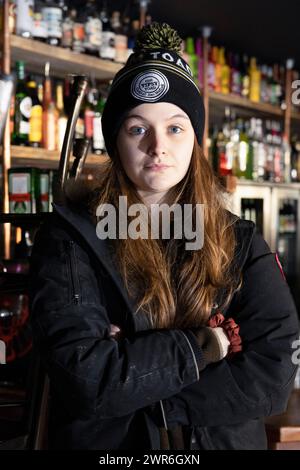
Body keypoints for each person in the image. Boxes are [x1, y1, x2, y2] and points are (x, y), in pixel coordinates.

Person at [29, 22, 299, 450]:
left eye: (175, 127)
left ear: (195, 138)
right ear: (115, 141)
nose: (158, 146)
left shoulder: (241, 242)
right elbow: (88, 379)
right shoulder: (70, 239)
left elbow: (273, 372)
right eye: (137, 129)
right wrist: (205, 346)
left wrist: (140, 381)